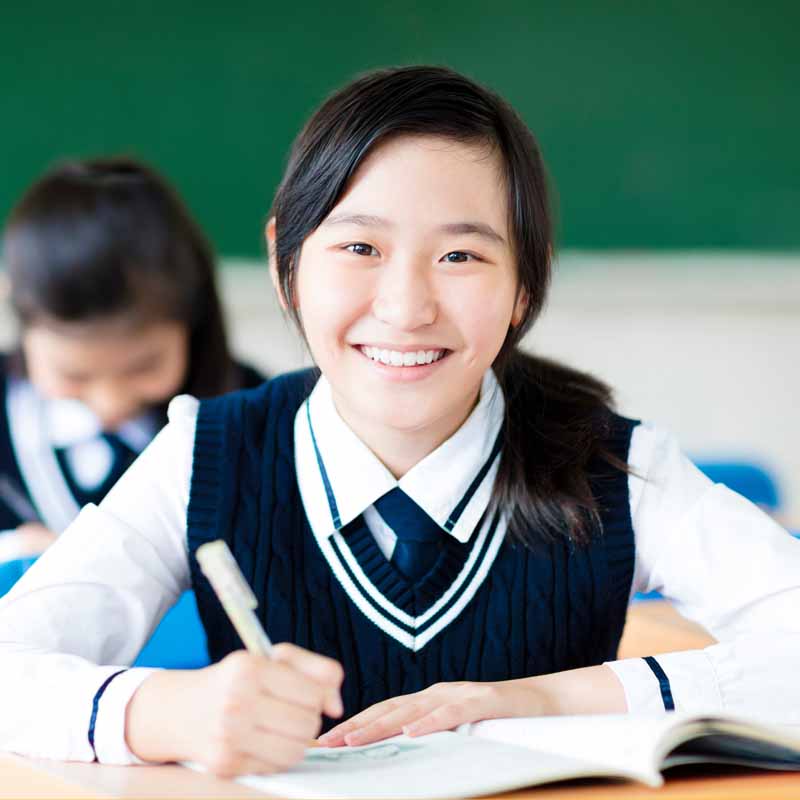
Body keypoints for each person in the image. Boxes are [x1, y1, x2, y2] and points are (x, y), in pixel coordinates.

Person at [0, 66, 798, 778]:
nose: (407, 308)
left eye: (461, 257)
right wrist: (168, 714)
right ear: (288, 265)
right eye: (359, 247)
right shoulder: (204, 455)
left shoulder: (616, 466)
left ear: (525, 284)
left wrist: (549, 700)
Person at [0, 157, 263, 563]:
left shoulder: (255, 412)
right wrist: (15, 550)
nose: (111, 402)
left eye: (144, 367)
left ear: (191, 319)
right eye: (74, 374)